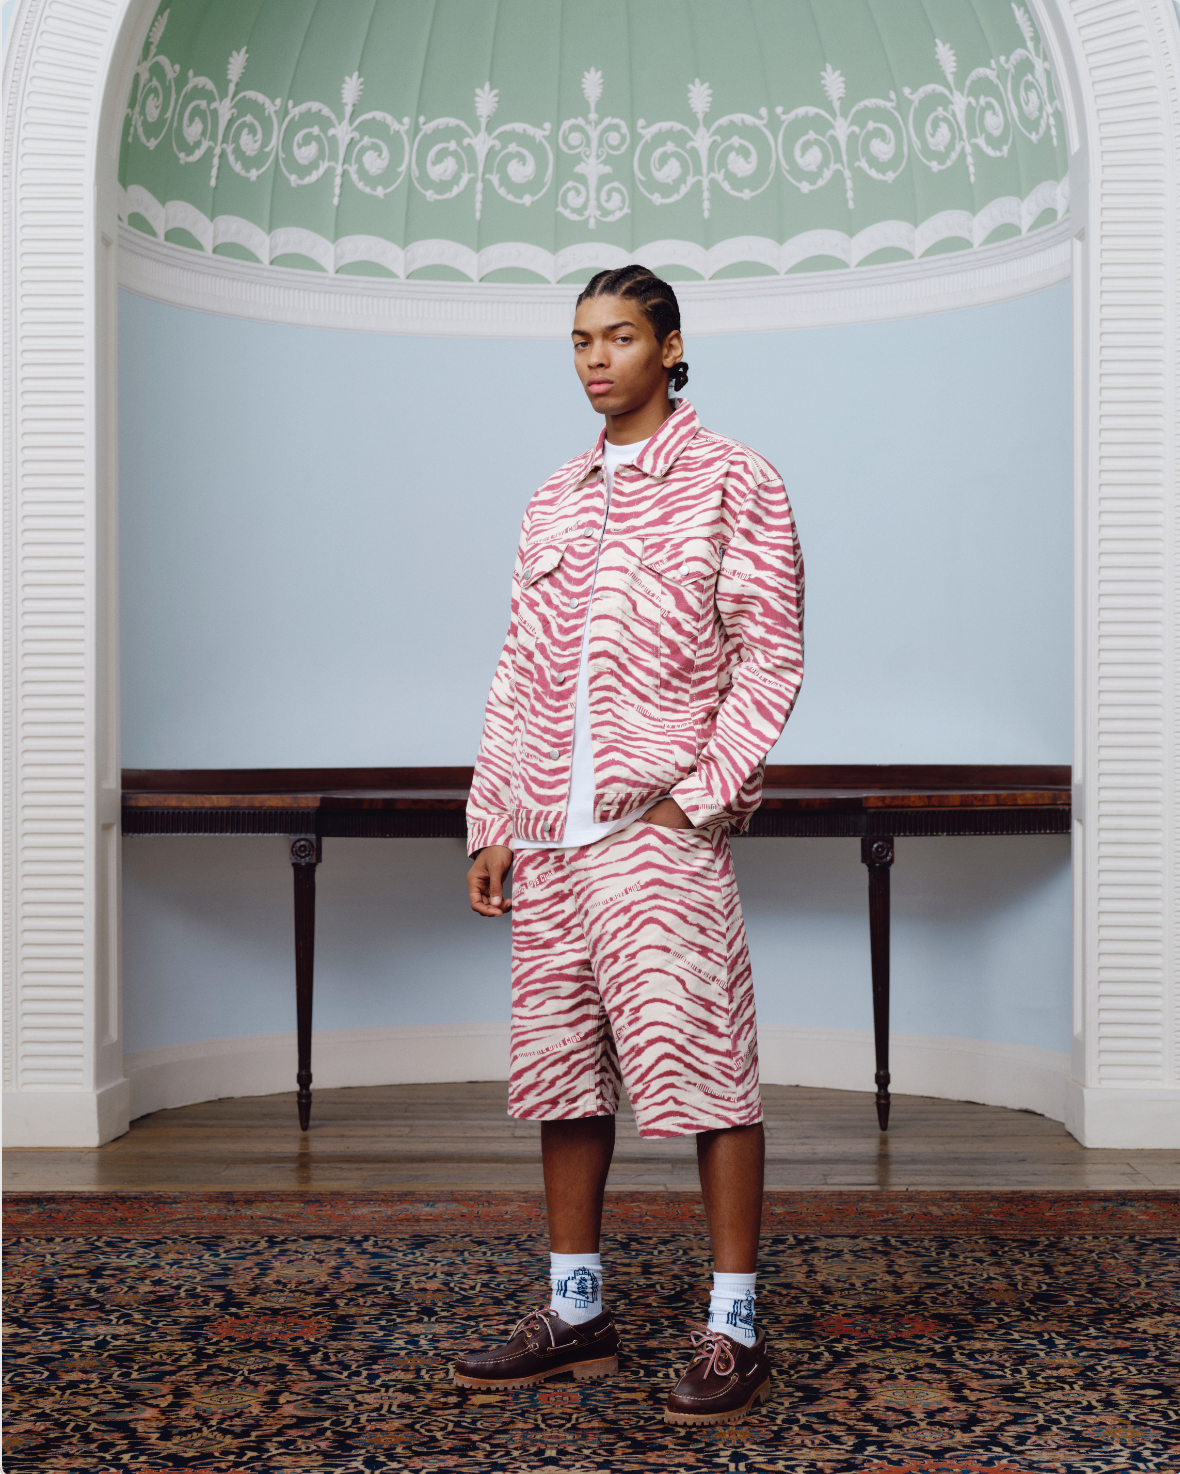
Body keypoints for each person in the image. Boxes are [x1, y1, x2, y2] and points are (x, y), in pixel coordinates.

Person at [454, 265, 804, 1426]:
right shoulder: (553, 498)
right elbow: (517, 669)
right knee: (562, 1076)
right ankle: (575, 1310)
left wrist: (699, 800)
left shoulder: (735, 479)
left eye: (617, 337)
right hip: (549, 840)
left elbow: (770, 656)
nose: (595, 359)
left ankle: (735, 1328)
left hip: (658, 834)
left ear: (670, 348)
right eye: (579, 340)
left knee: (709, 1073)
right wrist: (493, 817)